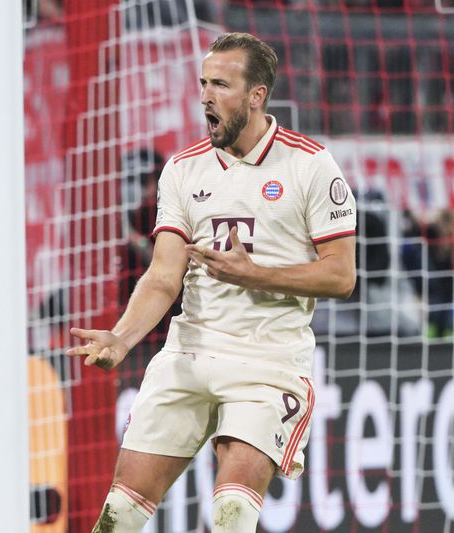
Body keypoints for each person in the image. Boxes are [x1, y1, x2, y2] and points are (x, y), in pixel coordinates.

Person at [67, 32, 357, 532]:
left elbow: (341, 274)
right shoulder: (182, 169)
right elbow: (162, 276)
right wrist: (121, 336)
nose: (205, 95)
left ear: (255, 95)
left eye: (220, 84)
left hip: (267, 363)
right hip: (190, 353)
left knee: (232, 514)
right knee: (118, 516)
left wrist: (254, 274)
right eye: (203, 83)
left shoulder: (309, 165)